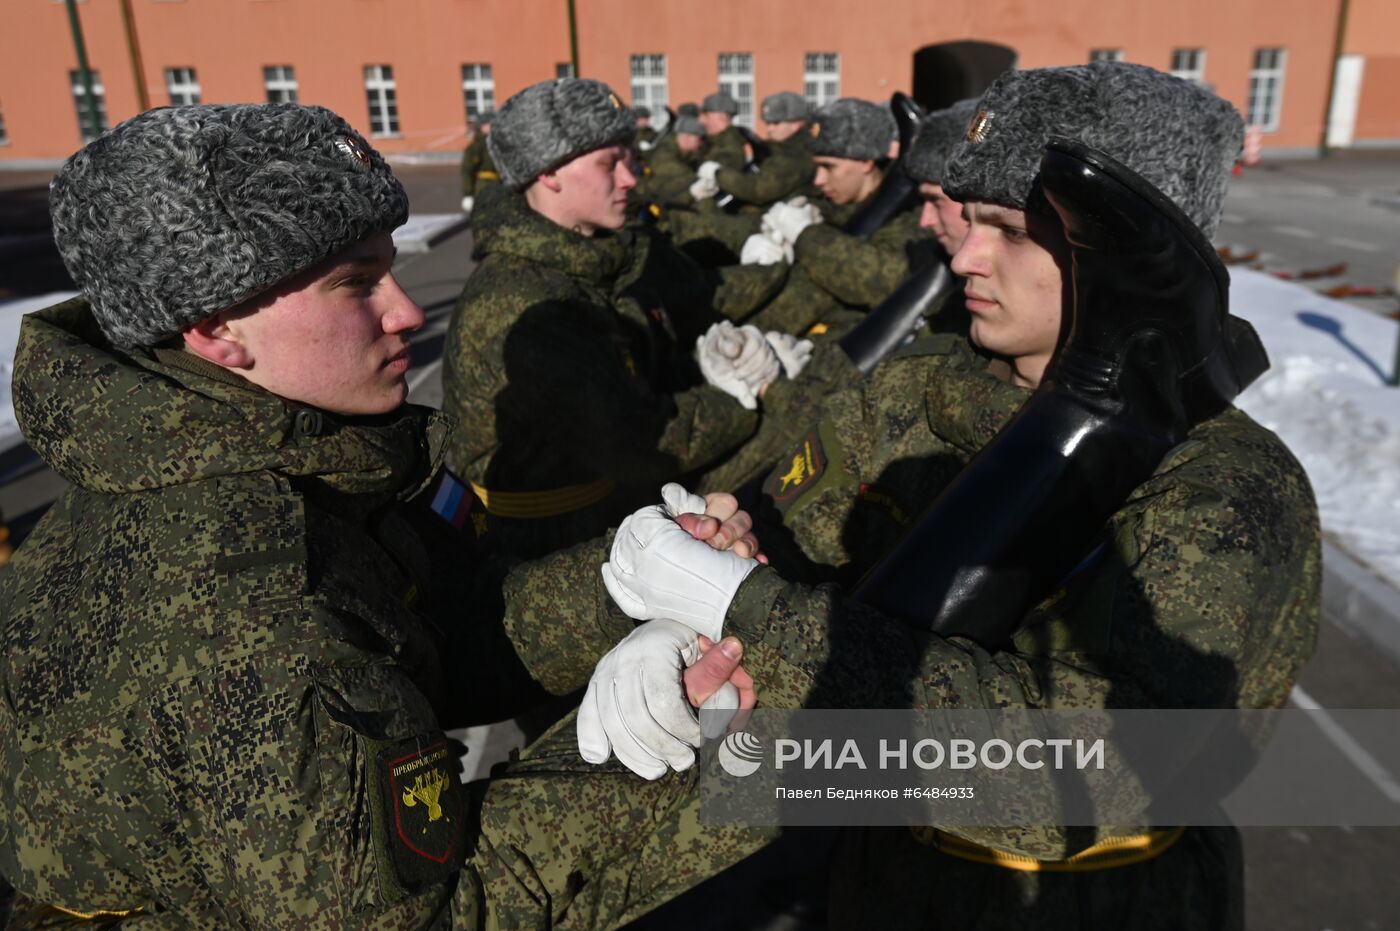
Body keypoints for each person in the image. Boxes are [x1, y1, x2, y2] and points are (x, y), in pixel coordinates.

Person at [0, 102, 770, 928]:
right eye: (355, 283)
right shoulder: (245, 612)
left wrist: (624, 583)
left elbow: (417, 639)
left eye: (390, 269)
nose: (406, 312)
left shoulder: (239, 468)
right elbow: (433, 914)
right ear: (216, 327)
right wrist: (691, 738)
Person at [588, 62, 1320, 928]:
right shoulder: (921, 390)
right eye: (967, 217)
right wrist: (694, 620)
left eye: (1007, 228)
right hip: (881, 875)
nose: (963, 252)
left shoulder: (1230, 492)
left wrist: (753, 617)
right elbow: (793, 544)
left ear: (1128, 257)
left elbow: (1091, 772)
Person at [440, 79, 804, 561]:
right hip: (551, 545)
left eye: (627, 159)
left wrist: (702, 365)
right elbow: (640, 444)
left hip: (591, 504)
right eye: (609, 163)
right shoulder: (526, 300)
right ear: (550, 173)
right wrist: (740, 393)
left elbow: (628, 374)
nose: (630, 178)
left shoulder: (577, 262)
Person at [745, 97, 934, 337]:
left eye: (829, 166)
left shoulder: (911, 219)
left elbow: (880, 280)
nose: (819, 179)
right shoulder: (821, 207)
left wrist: (806, 236)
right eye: (817, 167)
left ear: (866, 161)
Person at [690, 91, 816, 211]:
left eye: (776, 123)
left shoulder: (796, 155)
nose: (769, 129)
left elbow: (759, 190)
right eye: (767, 123)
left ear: (797, 124)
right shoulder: (776, 149)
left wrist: (717, 174)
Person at [459, 111, 498, 216]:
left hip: (498, 185)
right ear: (483, 126)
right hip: (483, 187)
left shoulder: (496, 143)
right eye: (490, 124)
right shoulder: (477, 146)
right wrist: (468, 194)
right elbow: (467, 170)